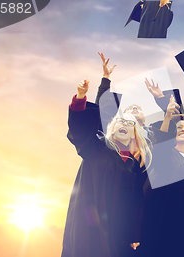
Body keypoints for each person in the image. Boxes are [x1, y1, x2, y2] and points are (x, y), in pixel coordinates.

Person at [62, 79, 152, 257]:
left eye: (130, 123)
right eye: (120, 121)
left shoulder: (133, 167)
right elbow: (79, 131)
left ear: (135, 134)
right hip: (88, 227)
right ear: (111, 128)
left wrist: (134, 234)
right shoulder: (96, 147)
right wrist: (80, 98)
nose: (124, 124)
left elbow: (134, 205)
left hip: (116, 233)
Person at [140, 95, 184, 257]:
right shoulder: (164, 154)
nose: (183, 130)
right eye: (179, 128)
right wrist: (168, 117)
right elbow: (160, 142)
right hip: (162, 222)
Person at [95, 52, 154, 140]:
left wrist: (160, 97)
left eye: (138, 109)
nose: (134, 108)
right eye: (130, 109)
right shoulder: (113, 132)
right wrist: (106, 77)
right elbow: (100, 111)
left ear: (144, 123)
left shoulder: (153, 135)